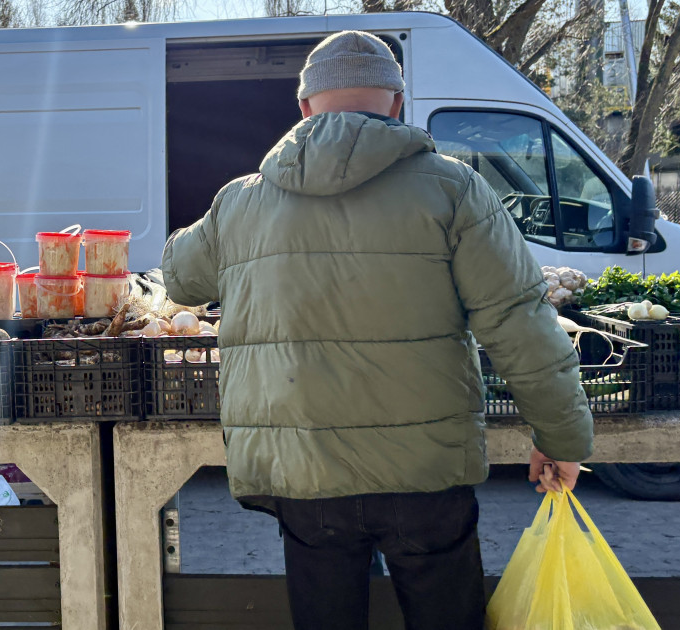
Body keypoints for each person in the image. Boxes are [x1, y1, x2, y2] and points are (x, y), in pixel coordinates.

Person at [161, 31, 593, 630]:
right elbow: (520, 324)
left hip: (305, 474)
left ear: (305, 107)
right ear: (396, 103)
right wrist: (563, 437)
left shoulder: (240, 203)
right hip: (426, 476)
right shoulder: (454, 189)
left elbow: (180, 278)